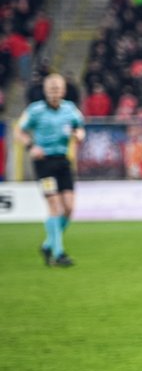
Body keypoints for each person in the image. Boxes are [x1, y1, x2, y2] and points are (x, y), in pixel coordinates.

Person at [13, 74, 85, 267]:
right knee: (54, 206)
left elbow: (80, 128)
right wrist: (31, 146)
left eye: (58, 89)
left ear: (63, 90)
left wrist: (78, 135)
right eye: (51, 89)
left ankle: (47, 245)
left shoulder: (70, 109)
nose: (54, 93)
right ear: (45, 90)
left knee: (69, 209)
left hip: (62, 162)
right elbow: (18, 131)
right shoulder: (35, 110)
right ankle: (59, 253)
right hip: (44, 163)